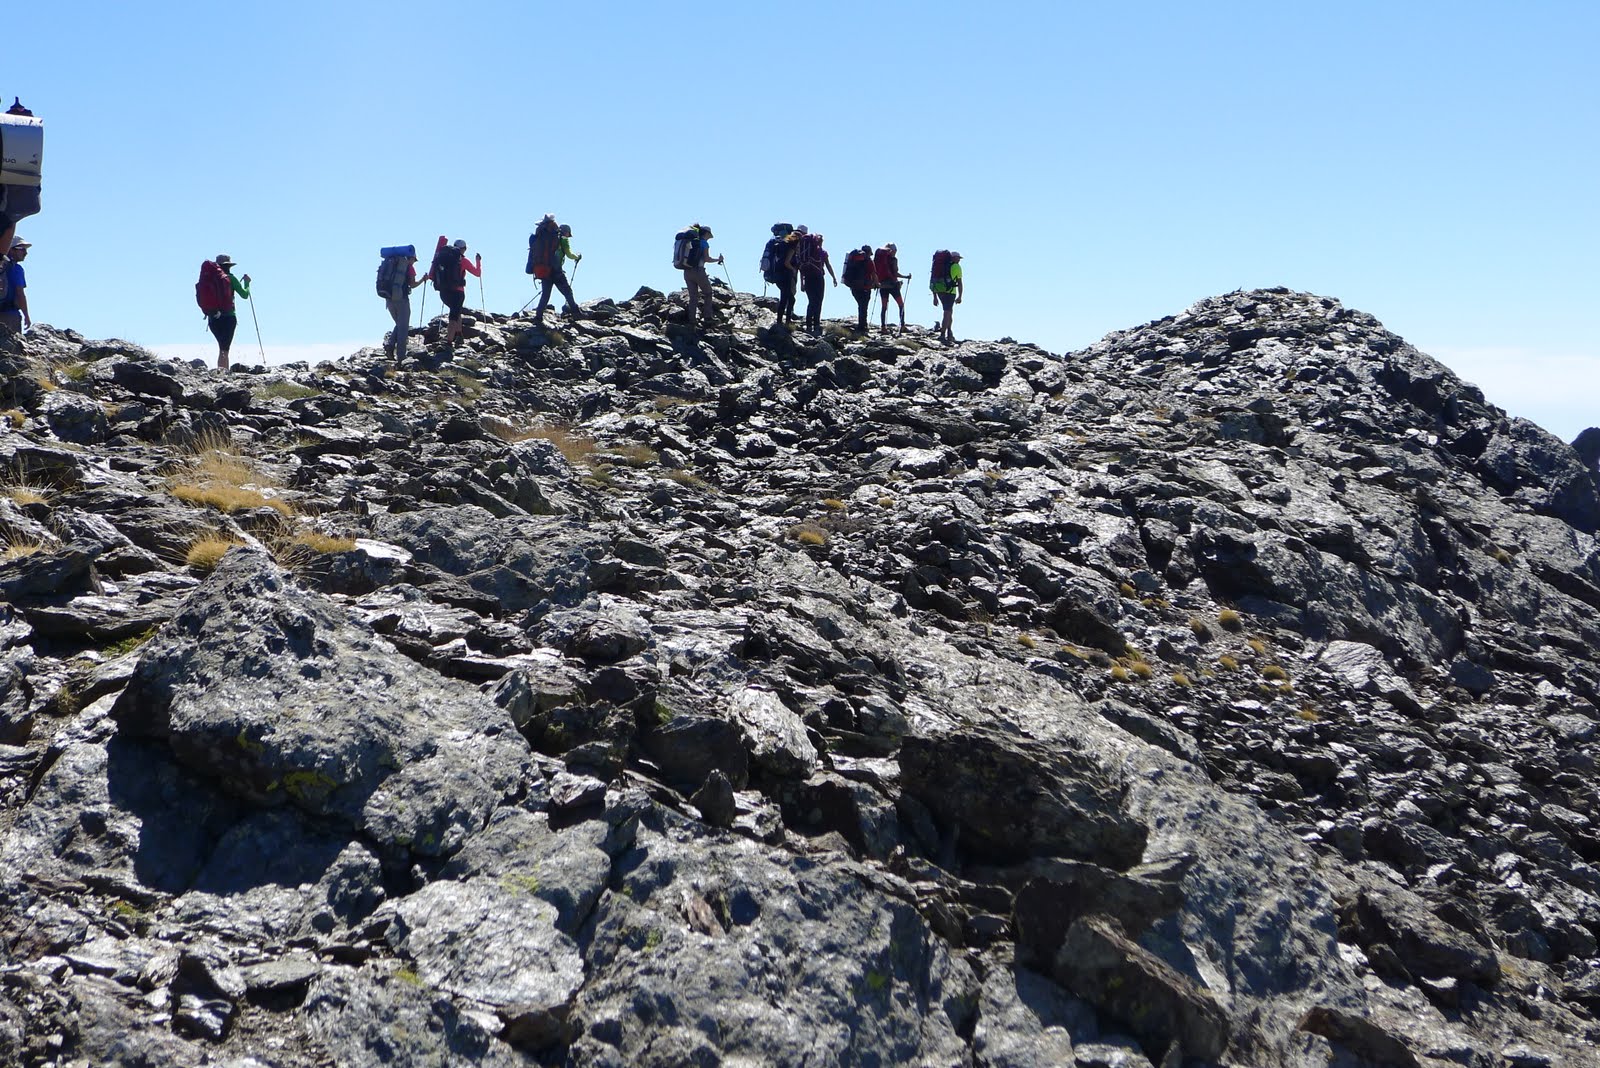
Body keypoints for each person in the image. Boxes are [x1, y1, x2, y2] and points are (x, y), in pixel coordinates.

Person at [424, 236, 481, 350]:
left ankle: (459, 335)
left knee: (456, 311)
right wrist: (478, 261)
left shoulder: (443, 258)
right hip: (458, 292)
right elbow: (477, 273)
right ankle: (449, 342)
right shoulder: (463, 261)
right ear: (463, 249)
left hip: (443, 292)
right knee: (453, 316)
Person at [202, 254, 250, 371]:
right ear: (229, 266)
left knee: (221, 347)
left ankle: (221, 371)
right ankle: (223, 373)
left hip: (213, 317)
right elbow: (244, 295)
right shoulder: (231, 279)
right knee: (224, 349)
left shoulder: (210, 280)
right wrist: (247, 283)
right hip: (229, 317)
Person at [379, 246, 422, 359]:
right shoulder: (409, 267)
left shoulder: (391, 264)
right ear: (410, 258)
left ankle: (390, 345)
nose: (414, 262)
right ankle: (401, 358)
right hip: (402, 300)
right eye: (414, 260)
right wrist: (423, 280)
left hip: (389, 298)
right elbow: (412, 284)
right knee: (403, 328)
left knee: (399, 324)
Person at [534, 222, 581, 323]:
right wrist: (577, 256)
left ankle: (538, 317)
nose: (568, 236)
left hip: (545, 270)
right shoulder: (563, 240)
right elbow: (569, 254)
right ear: (565, 232)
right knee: (568, 292)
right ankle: (576, 313)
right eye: (568, 234)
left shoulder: (546, 239)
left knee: (545, 295)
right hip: (556, 271)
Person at [679, 224, 724, 329]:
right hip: (699, 271)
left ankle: (692, 320)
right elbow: (707, 259)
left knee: (693, 297)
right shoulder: (704, 243)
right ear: (706, 233)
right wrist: (719, 259)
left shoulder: (690, 242)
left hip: (687, 271)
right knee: (708, 293)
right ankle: (708, 317)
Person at [796, 229, 837, 334]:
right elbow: (828, 265)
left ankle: (809, 325)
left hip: (808, 278)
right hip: (819, 278)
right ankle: (816, 325)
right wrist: (833, 277)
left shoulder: (806, 254)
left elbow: (802, 268)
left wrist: (802, 283)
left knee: (811, 302)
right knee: (818, 301)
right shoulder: (823, 253)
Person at [760, 223, 799, 330]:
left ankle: (782, 322)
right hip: (785, 273)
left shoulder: (773, 241)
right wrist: (793, 269)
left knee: (786, 297)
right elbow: (787, 261)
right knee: (788, 299)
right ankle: (784, 323)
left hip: (775, 274)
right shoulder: (789, 241)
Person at [874, 243, 911, 334]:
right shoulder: (893, 260)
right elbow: (895, 273)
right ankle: (902, 326)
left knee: (884, 307)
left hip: (882, 285)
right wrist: (906, 277)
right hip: (893, 285)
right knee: (901, 305)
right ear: (893, 250)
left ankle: (883, 327)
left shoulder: (881, 259)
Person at [0, 238, 30, 344]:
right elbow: (20, 294)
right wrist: (26, 315)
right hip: (10, 315)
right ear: (11, 250)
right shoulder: (16, 269)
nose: (25, 253)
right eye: (22, 249)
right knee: (12, 348)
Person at [842, 245, 877, 333]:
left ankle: (862, 325)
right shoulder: (869, 261)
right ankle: (862, 326)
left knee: (861, 306)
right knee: (863, 307)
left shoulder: (854, 260)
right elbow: (873, 274)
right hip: (865, 287)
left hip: (854, 287)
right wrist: (876, 284)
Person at [931, 250, 963, 344]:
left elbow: (934, 280)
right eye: (958, 258)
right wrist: (960, 296)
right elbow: (960, 282)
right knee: (947, 312)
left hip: (939, 290)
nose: (959, 260)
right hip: (950, 292)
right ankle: (943, 334)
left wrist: (935, 297)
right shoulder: (956, 267)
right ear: (954, 258)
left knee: (949, 312)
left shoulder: (941, 266)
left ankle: (949, 333)